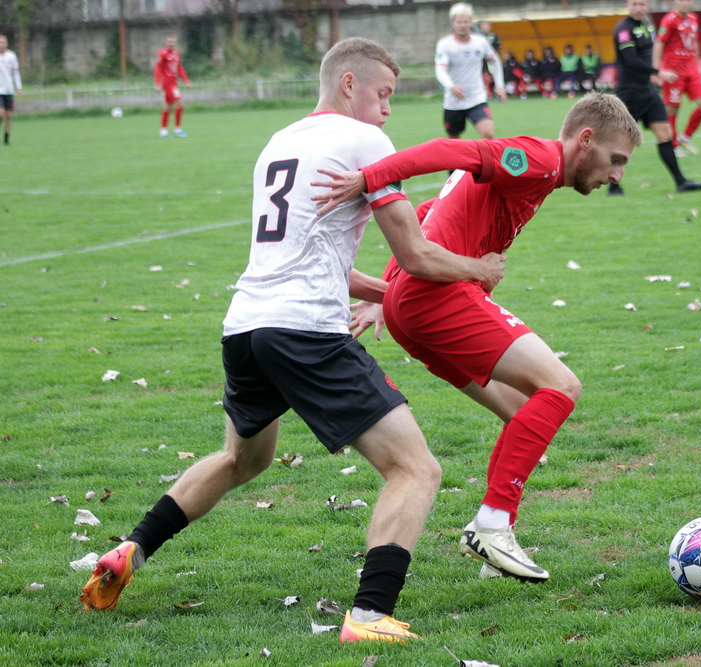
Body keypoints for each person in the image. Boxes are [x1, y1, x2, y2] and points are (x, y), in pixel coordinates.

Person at [80, 37, 506, 644]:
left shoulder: (278, 143)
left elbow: (315, 258)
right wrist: (477, 270)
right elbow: (414, 254)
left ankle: (132, 549)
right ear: (349, 84)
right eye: (384, 94)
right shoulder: (364, 142)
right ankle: (369, 616)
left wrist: (388, 295)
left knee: (242, 459)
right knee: (415, 469)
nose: (389, 110)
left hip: (246, 326)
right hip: (306, 331)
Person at [311, 93, 642, 583]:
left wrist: (387, 292)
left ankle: (496, 548)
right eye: (616, 160)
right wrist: (370, 177)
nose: (617, 175)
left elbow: (431, 208)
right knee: (561, 386)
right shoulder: (537, 158)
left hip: (412, 304)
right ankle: (492, 525)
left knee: (522, 409)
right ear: (586, 140)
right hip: (437, 297)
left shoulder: (540, 175)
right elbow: (448, 151)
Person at [610, 0, 701, 196]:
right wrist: (658, 72)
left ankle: (681, 182)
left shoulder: (647, 24)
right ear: (628, 5)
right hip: (630, 92)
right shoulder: (623, 29)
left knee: (665, 134)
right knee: (623, 140)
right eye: (635, 4)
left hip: (648, 90)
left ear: (648, 6)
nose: (638, 8)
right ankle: (613, 186)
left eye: (642, 4)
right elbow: (631, 60)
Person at [436, 3, 506, 140]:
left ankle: (483, 155)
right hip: (454, 101)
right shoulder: (445, 44)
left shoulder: (480, 42)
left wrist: (500, 86)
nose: (462, 25)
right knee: (453, 140)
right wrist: (451, 87)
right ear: (452, 23)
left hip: (477, 98)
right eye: (459, 22)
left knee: (488, 134)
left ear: (471, 23)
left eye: (466, 21)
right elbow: (440, 70)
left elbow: (495, 61)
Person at [652, 0, 701, 156]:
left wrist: (697, 66)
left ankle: (685, 138)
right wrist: (657, 70)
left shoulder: (693, 18)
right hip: (674, 71)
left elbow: (695, 42)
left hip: (692, 71)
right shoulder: (669, 20)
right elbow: (659, 43)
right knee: (673, 108)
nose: (685, 3)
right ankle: (673, 146)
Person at [153, 35, 191, 138]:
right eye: (170, 41)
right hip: (167, 84)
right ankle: (178, 130)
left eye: (173, 41)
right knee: (180, 103)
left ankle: (163, 131)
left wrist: (186, 80)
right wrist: (157, 83)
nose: (172, 43)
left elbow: (179, 68)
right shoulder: (162, 53)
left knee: (168, 107)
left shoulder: (176, 54)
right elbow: (158, 68)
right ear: (166, 42)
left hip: (174, 83)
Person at [0, 34, 23, 146]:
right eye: (0, 42)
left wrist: (19, 87)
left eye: (3, 42)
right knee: (0, 113)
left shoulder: (11, 56)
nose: (2, 44)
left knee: (8, 117)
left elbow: (16, 73)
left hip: (9, 90)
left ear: (7, 43)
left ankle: (6, 139)